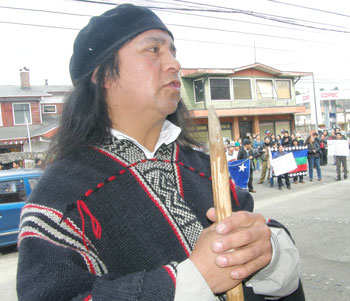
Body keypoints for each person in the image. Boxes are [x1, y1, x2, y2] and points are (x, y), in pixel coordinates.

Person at [16, 4, 304, 301]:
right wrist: (193, 279)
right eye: (154, 50)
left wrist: (268, 252)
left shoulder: (203, 169)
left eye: (173, 51)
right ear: (101, 74)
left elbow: (273, 272)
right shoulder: (61, 198)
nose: (174, 64)